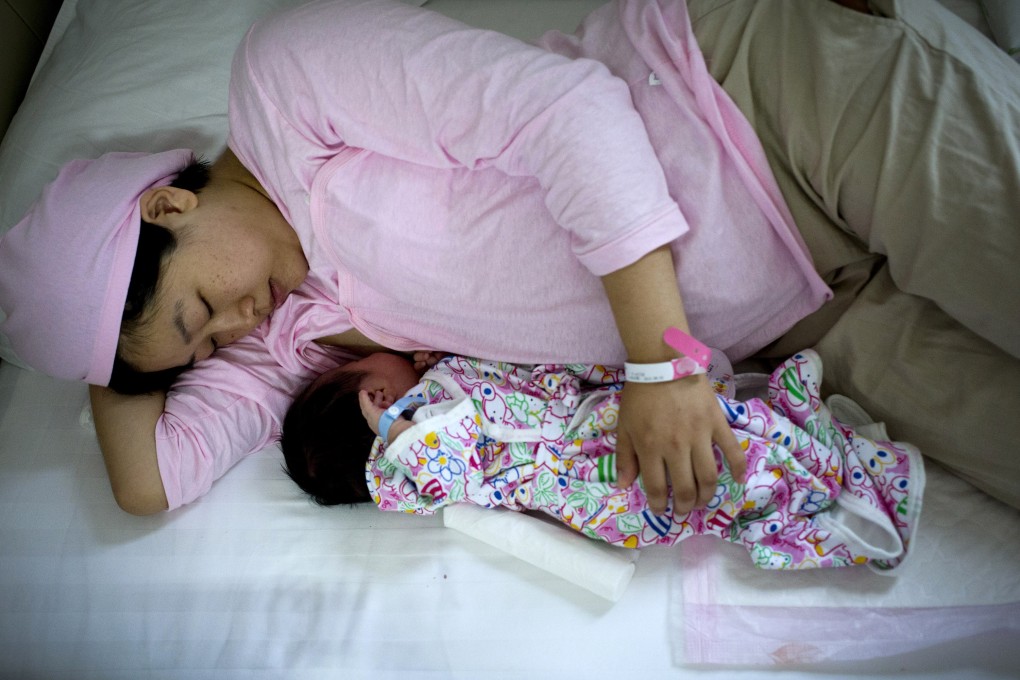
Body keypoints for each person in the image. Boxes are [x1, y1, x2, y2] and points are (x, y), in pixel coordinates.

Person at [0, 0, 1017, 515]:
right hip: (809, 315)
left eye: (197, 309)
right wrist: (110, 344)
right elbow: (151, 480)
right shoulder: (286, 335)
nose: (233, 327)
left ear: (167, 201)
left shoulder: (285, 85)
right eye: (203, 346)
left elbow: (569, 111)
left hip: (762, 112)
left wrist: (662, 368)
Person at [281, 347, 922, 571]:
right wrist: (401, 435)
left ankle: (799, 442)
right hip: (592, 479)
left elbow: (512, 377)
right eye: (359, 364)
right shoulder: (406, 465)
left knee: (708, 423)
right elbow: (452, 468)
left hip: (589, 423)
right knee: (698, 471)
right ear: (375, 396)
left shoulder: (436, 383)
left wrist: (439, 364)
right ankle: (830, 504)